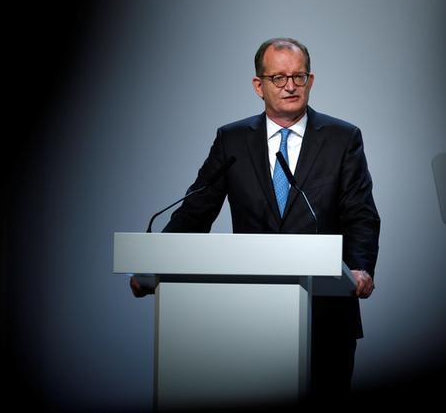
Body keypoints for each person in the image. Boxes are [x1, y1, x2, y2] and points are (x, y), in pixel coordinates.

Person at [130, 37, 380, 402]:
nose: (290, 86)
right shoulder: (232, 140)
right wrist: (154, 266)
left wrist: (360, 269)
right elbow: (195, 212)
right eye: (278, 77)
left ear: (311, 81)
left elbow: (361, 213)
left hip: (326, 316)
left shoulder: (343, 138)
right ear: (257, 85)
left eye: (299, 76)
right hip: (248, 316)